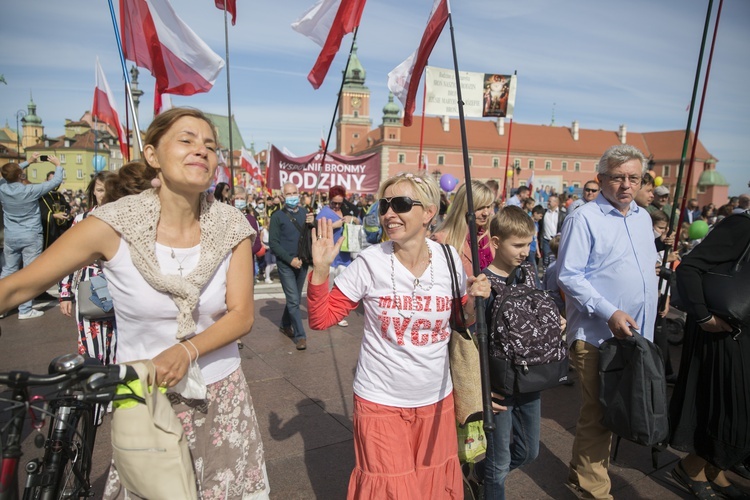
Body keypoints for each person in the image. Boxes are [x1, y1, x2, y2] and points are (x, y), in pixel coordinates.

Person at [0, 108, 269, 498]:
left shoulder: (233, 225)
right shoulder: (111, 223)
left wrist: (186, 350)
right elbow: (16, 288)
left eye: (210, 146)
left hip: (220, 392)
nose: (202, 151)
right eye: (187, 140)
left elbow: (242, 314)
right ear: (153, 154)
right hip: (138, 391)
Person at [306, 171, 490, 499]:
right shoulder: (370, 262)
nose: (390, 213)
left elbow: (463, 320)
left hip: (436, 400)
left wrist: (474, 299)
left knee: (432, 488)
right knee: (393, 490)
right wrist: (320, 270)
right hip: (380, 402)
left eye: (401, 204)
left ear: (429, 212)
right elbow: (321, 319)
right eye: (385, 205)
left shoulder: (449, 260)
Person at [557, 144, 658, 500]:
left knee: (618, 409)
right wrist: (609, 311)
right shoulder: (583, 217)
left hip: (635, 336)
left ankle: (580, 474)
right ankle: (594, 491)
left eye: (634, 178)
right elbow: (569, 276)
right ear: (601, 179)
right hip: (597, 334)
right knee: (599, 414)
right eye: (618, 178)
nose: (626, 185)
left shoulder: (643, 217)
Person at [470, 206, 565, 499]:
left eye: (529, 244)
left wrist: (553, 322)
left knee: (528, 452)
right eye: (518, 245)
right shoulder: (484, 282)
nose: (525, 251)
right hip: (499, 386)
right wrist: (480, 388)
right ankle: (488, 480)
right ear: (496, 242)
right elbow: (473, 340)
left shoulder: (528, 274)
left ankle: (477, 472)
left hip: (530, 376)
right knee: (499, 465)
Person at [669, 211, 750, 499]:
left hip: (742, 332)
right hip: (725, 333)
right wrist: (704, 317)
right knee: (731, 413)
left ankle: (714, 470)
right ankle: (691, 468)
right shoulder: (742, 224)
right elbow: (689, 267)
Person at [59, 171, 117, 372]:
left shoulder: (124, 218)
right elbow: (66, 258)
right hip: (88, 285)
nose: (104, 194)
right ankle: (93, 388)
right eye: (100, 189)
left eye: (108, 190)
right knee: (90, 343)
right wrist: (65, 294)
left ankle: (113, 389)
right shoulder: (82, 220)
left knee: (118, 343)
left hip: (117, 284)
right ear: (93, 191)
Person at [0, 153, 63, 319]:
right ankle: (25, 310)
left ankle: (2, 306)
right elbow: (55, 182)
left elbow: (9, 174)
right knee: (29, 272)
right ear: (21, 175)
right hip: (31, 235)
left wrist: (28, 162)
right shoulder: (31, 190)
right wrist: (57, 164)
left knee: (8, 270)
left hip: (11, 236)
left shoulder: (2, 187)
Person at [269, 182, 315, 350]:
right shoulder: (277, 216)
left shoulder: (305, 213)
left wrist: (313, 223)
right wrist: (290, 260)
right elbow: (273, 243)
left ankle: (284, 324)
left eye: (294, 193)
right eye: (289, 194)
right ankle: (300, 336)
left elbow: (311, 236)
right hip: (286, 264)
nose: (292, 196)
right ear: (283, 196)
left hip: (302, 262)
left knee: (293, 298)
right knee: (294, 299)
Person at [315, 185, 361, 327]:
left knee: (342, 287)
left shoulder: (347, 209)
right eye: (333, 203)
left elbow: (359, 222)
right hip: (330, 255)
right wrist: (336, 224)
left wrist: (352, 219)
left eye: (339, 203)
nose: (336, 206)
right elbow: (319, 232)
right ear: (329, 200)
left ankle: (337, 314)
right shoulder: (324, 212)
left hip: (345, 255)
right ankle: (326, 312)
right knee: (328, 286)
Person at [432, 180, 495, 277]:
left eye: (488, 206)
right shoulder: (442, 240)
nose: (486, 213)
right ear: (464, 208)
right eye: (479, 208)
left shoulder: (489, 238)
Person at [39, 170, 72, 250]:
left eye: (56, 181)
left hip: (60, 230)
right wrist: (53, 216)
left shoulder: (60, 196)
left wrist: (67, 214)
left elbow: (67, 208)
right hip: (48, 231)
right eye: (51, 181)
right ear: (46, 181)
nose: (54, 184)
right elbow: (39, 213)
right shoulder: (41, 196)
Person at [540, 194, 565, 269]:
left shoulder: (562, 214)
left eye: (549, 201)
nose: (548, 203)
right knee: (546, 260)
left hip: (557, 241)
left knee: (556, 259)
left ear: (556, 203)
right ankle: (545, 275)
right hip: (546, 240)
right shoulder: (544, 213)